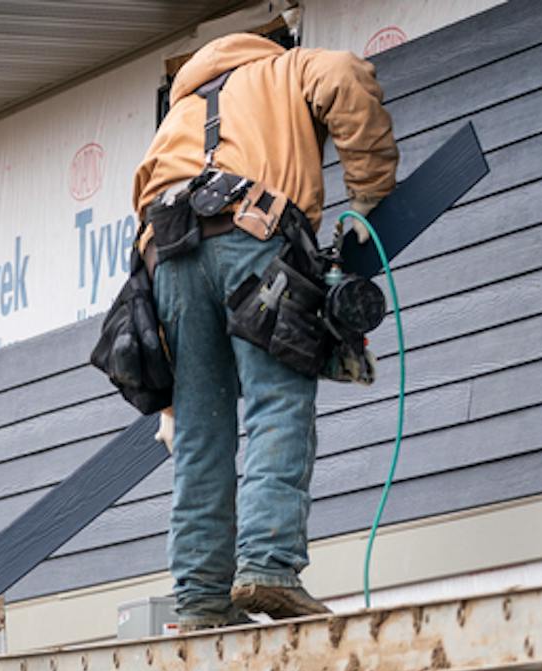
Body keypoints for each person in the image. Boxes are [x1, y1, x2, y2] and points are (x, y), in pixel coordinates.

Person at [131, 34, 399, 629]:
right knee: (278, 403)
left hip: (170, 255)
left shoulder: (178, 113)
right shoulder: (284, 68)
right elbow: (344, 76)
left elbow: (143, 193)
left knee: (202, 432)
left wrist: (171, 390)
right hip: (254, 238)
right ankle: (268, 567)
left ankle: (201, 596)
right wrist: (369, 193)